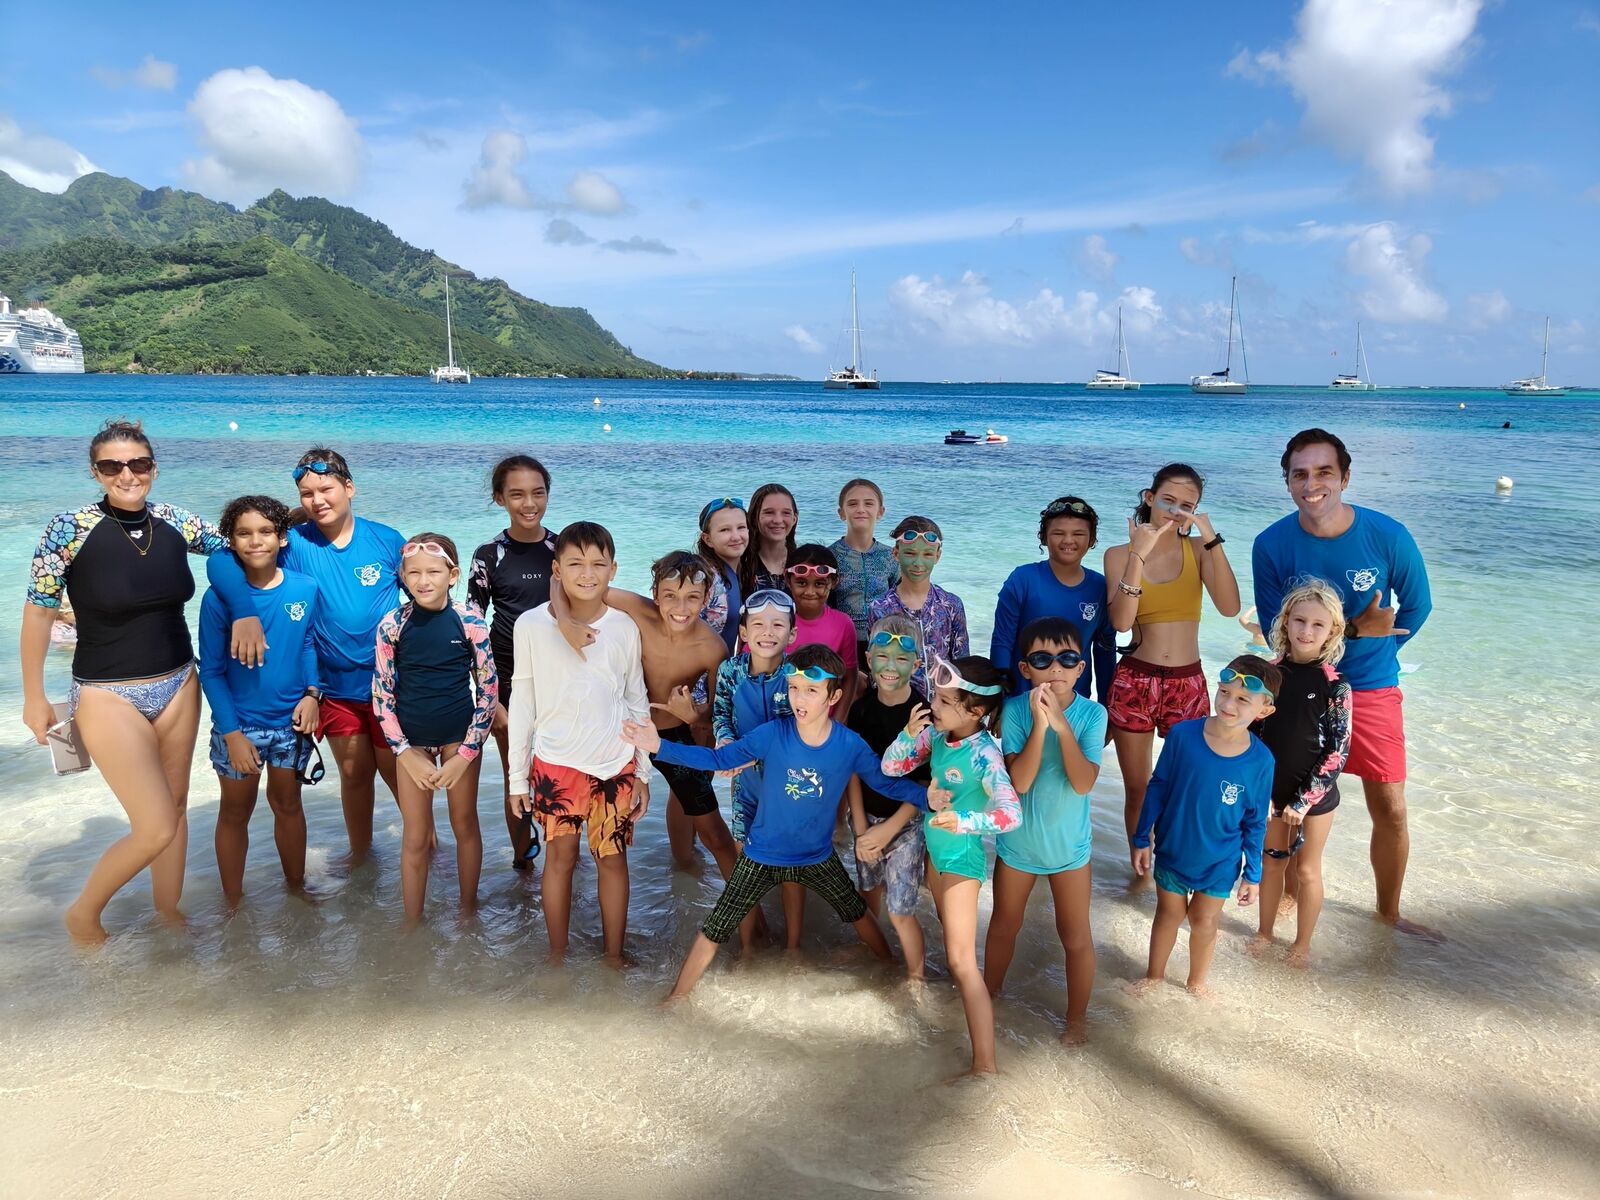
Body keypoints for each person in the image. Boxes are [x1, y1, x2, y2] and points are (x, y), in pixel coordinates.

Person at [621, 645, 931, 999]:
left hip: (817, 857)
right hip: (761, 856)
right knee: (714, 928)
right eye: (794, 688)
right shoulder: (772, 734)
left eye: (811, 690)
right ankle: (674, 1000)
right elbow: (719, 759)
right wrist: (659, 746)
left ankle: (888, 971)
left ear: (834, 696)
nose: (799, 698)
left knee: (858, 914)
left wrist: (930, 799)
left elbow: (886, 784)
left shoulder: (850, 745)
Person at [21, 420, 229, 944]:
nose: (127, 474)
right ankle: (83, 914)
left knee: (176, 807)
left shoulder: (175, 520)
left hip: (179, 683)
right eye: (112, 466)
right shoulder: (68, 528)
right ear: (95, 472)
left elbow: (243, 545)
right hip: (106, 693)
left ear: (154, 468)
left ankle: (168, 913)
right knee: (155, 825)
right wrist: (33, 696)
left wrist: (302, 533)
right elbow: (39, 610)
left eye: (138, 464)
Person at [1252, 428, 1435, 937]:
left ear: (1345, 477)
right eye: (1300, 474)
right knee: (1292, 802)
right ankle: (1289, 902)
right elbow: (1274, 626)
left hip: (1373, 687)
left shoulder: (1388, 535)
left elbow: (1418, 607)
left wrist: (1380, 651)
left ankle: (1388, 915)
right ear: (1288, 482)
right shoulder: (1271, 544)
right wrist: (1352, 634)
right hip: (1299, 688)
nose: (1312, 484)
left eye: (1324, 472)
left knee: (1390, 807)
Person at [207, 447, 407, 862]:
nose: (317, 500)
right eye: (306, 493)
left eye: (326, 489)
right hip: (334, 690)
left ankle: (429, 853)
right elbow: (224, 559)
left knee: (398, 777)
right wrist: (243, 611)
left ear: (349, 488)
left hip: (390, 685)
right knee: (353, 776)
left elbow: (427, 592)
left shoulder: (387, 540)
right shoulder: (294, 542)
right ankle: (362, 861)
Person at [506, 522, 651, 962]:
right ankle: (557, 955)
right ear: (557, 570)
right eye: (575, 564)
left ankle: (613, 956)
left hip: (615, 763)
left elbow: (636, 698)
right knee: (560, 859)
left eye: (598, 564)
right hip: (556, 764)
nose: (587, 574)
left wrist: (643, 772)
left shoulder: (624, 627)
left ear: (613, 570)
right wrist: (517, 779)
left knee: (613, 859)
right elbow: (522, 702)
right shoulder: (531, 625)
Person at [554, 551, 734, 877]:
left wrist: (693, 715)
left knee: (715, 833)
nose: (681, 608)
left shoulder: (713, 648)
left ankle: (737, 903)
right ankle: (579, 880)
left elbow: (719, 715)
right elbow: (565, 583)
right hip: (622, 735)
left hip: (672, 737)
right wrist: (566, 623)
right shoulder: (639, 610)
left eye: (692, 597)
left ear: (706, 597)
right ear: (655, 595)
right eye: (671, 596)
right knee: (597, 829)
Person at [882, 655, 1020, 1079]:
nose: (933, 706)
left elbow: (1011, 815)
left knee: (962, 962)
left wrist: (964, 821)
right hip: (936, 859)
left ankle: (985, 1067)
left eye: (944, 701)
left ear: (975, 710)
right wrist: (908, 735)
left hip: (961, 861)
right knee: (953, 949)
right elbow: (891, 767)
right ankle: (967, 1017)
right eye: (936, 697)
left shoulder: (985, 756)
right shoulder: (938, 737)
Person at [1102, 464, 1241, 873]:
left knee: (1186, 786)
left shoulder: (1199, 549)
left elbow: (1230, 607)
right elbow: (1121, 622)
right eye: (1168, 501)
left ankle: (1175, 870)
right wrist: (1138, 555)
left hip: (1187, 683)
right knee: (1138, 789)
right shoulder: (1118, 555)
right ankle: (1139, 877)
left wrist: (1210, 536)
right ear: (1149, 498)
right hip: (1135, 681)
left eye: (1187, 506)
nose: (1176, 511)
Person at [984, 617, 1107, 1044]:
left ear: (1080, 668)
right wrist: (1040, 724)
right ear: (1025, 669)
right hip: (1018, 846)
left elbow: (1083, 783)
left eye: (1067, 659)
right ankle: (987, 999)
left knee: (1075, 937)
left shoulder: (1093, 714)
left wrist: (1061, 725)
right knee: (1004, 925)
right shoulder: (1015, 711)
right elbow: (1019, 781)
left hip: (1069, 850)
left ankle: (1077, 1021)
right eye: (1042, 659)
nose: (1055, 667)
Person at [1128, 656, 1278, 1000]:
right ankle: (1154, 976)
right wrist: (1141, 837)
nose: (1228, 704)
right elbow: (1158, 786)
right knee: (1168, 914)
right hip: (1174, 849)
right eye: (1224, 692)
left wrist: (1253, 875)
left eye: (1243, 699)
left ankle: (1196, 982)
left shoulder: (1261, 761)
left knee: (1205, 921)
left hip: (1221, 860)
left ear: (1264, 710)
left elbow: (1255, 821)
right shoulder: (1183, 735)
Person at [197, 495, 322, 907]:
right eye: (244, 533)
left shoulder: (304, 587)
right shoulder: (218, 600)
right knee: (236, 812)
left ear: (283, 537)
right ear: (231, 542)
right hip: (241, 726)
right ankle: (233, 903)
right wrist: (232, 734)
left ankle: (297, 890)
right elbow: (211, 671)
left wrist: (313, 694)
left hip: (291, 724)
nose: (255, 541)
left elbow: (307, 644)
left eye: (266, 532)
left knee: (289, 805)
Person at [373, 534, 497, 924]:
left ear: (452, 575)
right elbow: (381, 695)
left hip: (459, 738)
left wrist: (465, 755)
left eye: (433, 572)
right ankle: (412, 923)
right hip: (411, 743)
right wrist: (403, 752)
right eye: (414, 573)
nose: (423, 580)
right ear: (402, 576)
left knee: (465, 824)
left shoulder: (471, 622)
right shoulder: (392, 625)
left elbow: (489, 692)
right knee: (415, 835)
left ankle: (467, 912)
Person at [1249, 580, 1352, 967]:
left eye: (1317, 624)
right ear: (1285, 621)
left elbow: (1338, 751)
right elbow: (1251, 738)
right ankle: (1264, 932)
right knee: (1272, 862)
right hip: (1273, 793)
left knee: (1307, 870)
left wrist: (1303, 801)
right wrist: (1262, 795)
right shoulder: (1267, 676)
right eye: (1299, 620)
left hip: (1316, 798)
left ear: (1333, 631)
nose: (1306, 631)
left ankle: (1302, 944)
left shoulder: (1336, 687)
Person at [466, 454, 556, 872]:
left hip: (561, 680)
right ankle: (524, 865)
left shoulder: (563, 549)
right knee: (515, 773)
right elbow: (472, 629)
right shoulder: (488, 555)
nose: (529, 503)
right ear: (500, 498)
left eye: (538, 493)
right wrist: (491, 700)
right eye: (517, 494)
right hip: (507, 683)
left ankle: (564, 859)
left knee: (564, 771)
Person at [846, 616, 931, 980]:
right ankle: (873, 953)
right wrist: (861, 826)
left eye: (902, 659)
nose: (891, 667)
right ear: (868, 660)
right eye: (882, 656)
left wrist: (889, 829)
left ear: (917, 664)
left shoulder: (924, 715)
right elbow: (853, 769)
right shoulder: (860, 710)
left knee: (900, 910)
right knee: (868, 891)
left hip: (906, 825)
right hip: (866, 820)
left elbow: (926, 784)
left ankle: (916, 978)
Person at [711, 589, 796, 950]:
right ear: (743, 632)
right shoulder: (730, 671)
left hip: (789, 788)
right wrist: (725, 742)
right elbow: (720, 714)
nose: (768, 632)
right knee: (745, 866)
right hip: (745, 786)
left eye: (778, 625)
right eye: (758, 624)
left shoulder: (797, 675)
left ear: (792, 634)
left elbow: (805, 728)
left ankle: (793, 947)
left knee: (791, 869)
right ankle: (747, 946)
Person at [990, 496, 1116, 701]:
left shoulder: (1101, 587)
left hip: (1075, 704)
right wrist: (999, 699)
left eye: (1078, 534)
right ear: (1044, 537)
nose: (1068, 540)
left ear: (1092, 540)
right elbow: (1002, 642)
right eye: (1058, 533)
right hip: (1022, 701)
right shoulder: (1022, 580)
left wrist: (1105, 704)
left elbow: (1105, 651)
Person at [867, 516, 970, 694]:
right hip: (897, 704)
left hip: (942, 705)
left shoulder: (951, 605)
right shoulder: (880, 608)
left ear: (937, 556)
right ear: (896, 554)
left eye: (927, 554)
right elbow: (877, 669)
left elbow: (962, 665)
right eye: (910, 553)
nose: (918, 563)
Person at [828, 478, 898, 664]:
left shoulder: (891, 556)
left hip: (884, 644)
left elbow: (900, 600)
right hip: (841, 644)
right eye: (852, 504)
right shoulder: (830, 556)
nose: (860, 509)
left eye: (868, 503)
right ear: (841, 513)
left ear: (880, 512)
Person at [787, 543, 859, 715]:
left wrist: (838, 720)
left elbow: (850, 677)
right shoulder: (777, 621)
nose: (810, 591)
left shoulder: (843, 624)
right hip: (781, 718)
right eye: (801, 582)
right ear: (788, 580)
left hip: (824, 719)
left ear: (834, 582)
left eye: (819, 584)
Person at [695, 497, 749, 653]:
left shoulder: (738, 572)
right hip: (697, 667)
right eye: (725, 530)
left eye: (741, 527)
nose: (736, 536)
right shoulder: (704, 577)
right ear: (708, 539)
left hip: (721, 666)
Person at [743, 483, 799, 594]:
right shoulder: (741, 565)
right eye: (769, 512)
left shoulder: (804, 564)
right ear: (754, 517)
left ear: (794, 519)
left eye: (786, 513)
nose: (778, 520)